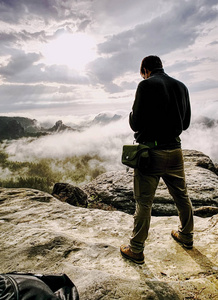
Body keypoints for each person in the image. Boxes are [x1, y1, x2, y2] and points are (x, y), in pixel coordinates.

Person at [120, 55, 194, 264]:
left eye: (141, 72)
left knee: (144, 202)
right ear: (161, 66)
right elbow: (185, 123)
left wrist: (131, 115)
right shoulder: (181, 86)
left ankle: (136, 249)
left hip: (150, 154)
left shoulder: (145, 86)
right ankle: (186, 236)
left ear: (145, 70)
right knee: (182, 196)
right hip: (175, 151)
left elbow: (135, 124)